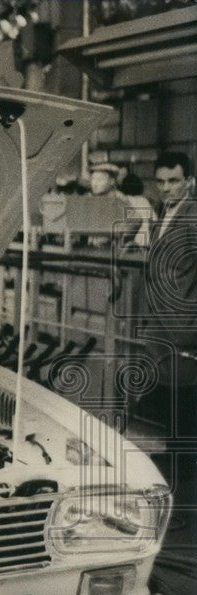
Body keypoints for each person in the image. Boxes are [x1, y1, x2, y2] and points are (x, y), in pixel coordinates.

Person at [138, 151, 197, 510]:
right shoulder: (164, 212)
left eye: (173, 181)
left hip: (184, 325)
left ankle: (184, 474)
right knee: (171, 397)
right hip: (162, 323)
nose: (166, 188)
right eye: (160, 182)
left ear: (188, 181)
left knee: (186, 399)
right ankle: (177, 465)